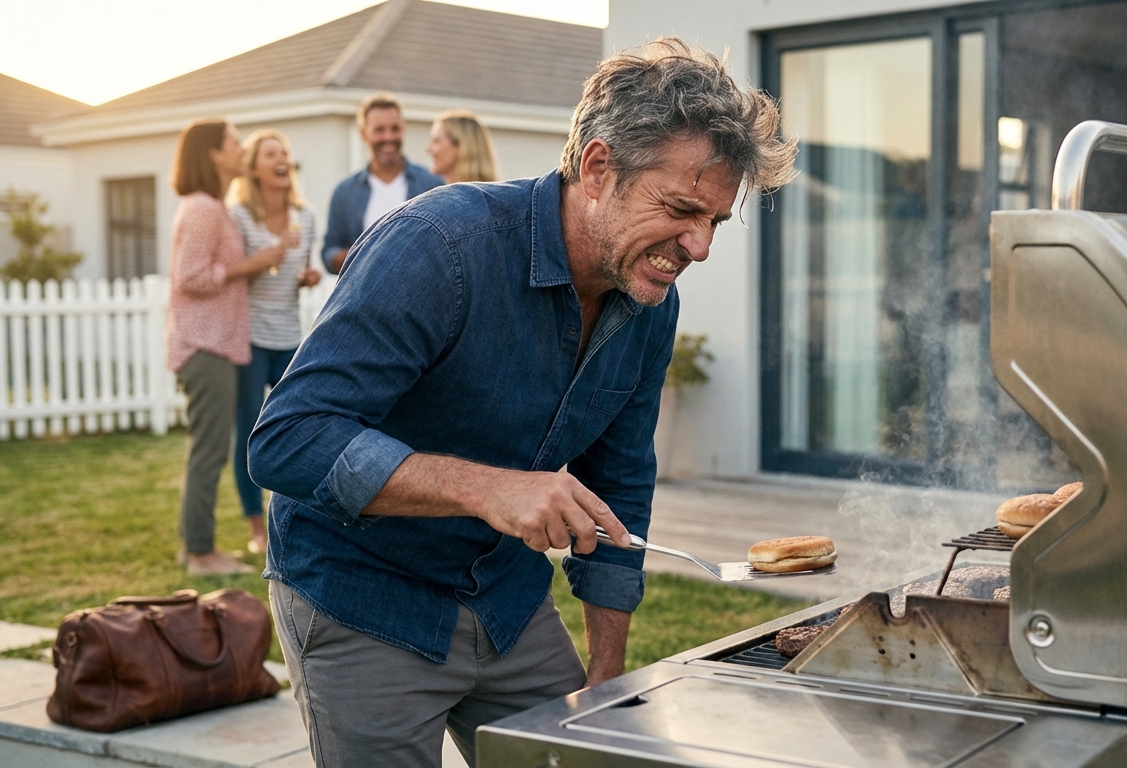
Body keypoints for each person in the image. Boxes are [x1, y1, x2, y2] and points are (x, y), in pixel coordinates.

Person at [249, 38, 796, 766]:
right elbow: (286, 440)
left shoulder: (648, 300)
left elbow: (621, 482)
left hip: (505, 598)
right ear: (599, 168)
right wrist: (487, 489)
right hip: (360, 597)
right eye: (680, 209)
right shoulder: (439, 247)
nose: (698, 247)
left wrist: (606, 677)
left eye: (715, 223)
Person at [166, 118, 284, 576]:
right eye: (235, 143)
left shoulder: (214, 207)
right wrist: (252, 263)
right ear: (213, 154)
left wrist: (257, 265)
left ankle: (192, 545)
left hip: (216, 344)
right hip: (204, 346)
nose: (241, 150)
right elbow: (190, 277)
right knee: (210, 449)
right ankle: (200, 553)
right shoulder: (202, 209)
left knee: (209, 446)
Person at [226, 129, 321, 555]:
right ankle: (255, 528)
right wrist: (276, 250)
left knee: (299, 429)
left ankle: (296, 518)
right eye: (270, 153)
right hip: (248, 339)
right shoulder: (239, 216)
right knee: (249, 432)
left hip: (290, 338)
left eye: (284, 151)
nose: (281, 158)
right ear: (254, 167)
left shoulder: (307, 216)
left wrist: (307, 276)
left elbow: (297, 272)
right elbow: (236, 271)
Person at [321, 93, 442, 274]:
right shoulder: (345, 192)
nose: (388, 137)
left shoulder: (432, 185)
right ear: (363, 133)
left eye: (395, 129)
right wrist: (359, 254)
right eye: (379, 130)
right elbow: (328, 253)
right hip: (364, 298)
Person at [426, 109, 498, 184]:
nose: (428, 149)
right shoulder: (435, 191)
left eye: (436, 141)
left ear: (461, 147)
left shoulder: (477, 195)